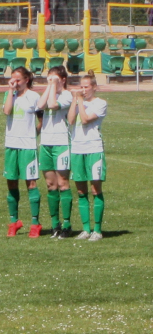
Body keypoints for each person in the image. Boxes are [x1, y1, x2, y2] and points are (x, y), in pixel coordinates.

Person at [67, 70, 107, 241]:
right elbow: (70, 120)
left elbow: (84, 119)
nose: (83, 90)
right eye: (81, 87)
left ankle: (97, 229)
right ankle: (85, 229)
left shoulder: (100, 103)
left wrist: (81, 102)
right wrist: (74, 101)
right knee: (81, 190)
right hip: (77, 149)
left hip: (93, 148)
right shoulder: (78, 102)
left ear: (94, 87)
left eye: (86, 87)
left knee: (95, 189)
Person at [3, 66, 42, 237]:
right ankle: (14, 221)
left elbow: (42, 120)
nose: (15, 83)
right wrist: (10, 91)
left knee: (31, 183)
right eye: (13, 79)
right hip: (11, 144)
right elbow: (7, 111)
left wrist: (34, 134)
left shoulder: (34, 97)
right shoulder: (9, 95)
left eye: (18, 80)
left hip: (28, 146)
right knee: (11, 182)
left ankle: (35, 223)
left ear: (27, 80)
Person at [36, 65, 73, 238]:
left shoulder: (67, 95)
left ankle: (67, 223)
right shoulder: (49, 91)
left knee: (63, 183)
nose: (51, 82)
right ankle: (54, 224)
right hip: (46, 143)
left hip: (61, 143)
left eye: (55, 79)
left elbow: (52, 104)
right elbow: (40, 105)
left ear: (63, 80)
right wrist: (50, 85)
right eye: (48, 78)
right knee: (51, 184)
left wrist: (53, 85)